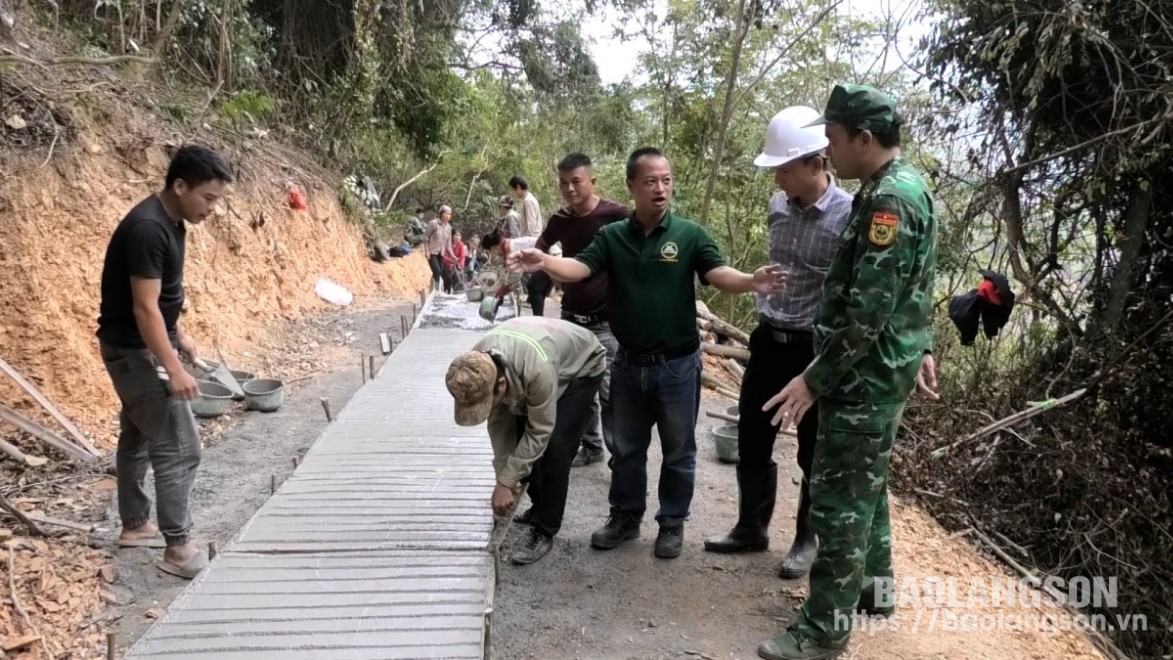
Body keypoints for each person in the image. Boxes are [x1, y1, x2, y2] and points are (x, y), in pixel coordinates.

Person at [510, 147, 787, 560]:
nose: (660, 188)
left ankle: (671, 522)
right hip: (627, 363)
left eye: (666, 180)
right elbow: (580, 269)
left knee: (678, 450)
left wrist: (750, 281)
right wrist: (544, 263)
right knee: (625, 449)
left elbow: (717, 274)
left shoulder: (689, 234)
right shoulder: (613, 237)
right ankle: (625, 517)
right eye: (650, 181)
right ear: (632, 187)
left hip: (677, 365)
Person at [754, 84, 939, 660]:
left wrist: (813, 378)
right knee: (869, 490)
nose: (828, 151)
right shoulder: (905, 185)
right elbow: (917, 284)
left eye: (833, 138)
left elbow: (868, 309)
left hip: (863, 378)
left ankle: (822, 630)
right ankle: (874, 593)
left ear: (863, 138)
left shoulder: (889, 202)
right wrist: (923, 342)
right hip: (884, 370)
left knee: (837, 505)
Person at [703, 107, 852, 582]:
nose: (776, 181)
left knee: (812, 448)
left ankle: (805, 540)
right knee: (752, 436)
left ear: (816, 163)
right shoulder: (776, 209)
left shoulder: (848, 216)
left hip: (812, 348)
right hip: (769, 340)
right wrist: (758, 281)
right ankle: (751, 527)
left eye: (784, 170)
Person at [96, 145, 232, 580]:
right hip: (134, 352)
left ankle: (135, 526)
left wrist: (179, 338)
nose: (213, 208)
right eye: (208, 198)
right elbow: (144, 309)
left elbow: (162, 302)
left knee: (137, 435)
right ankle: (178, 549)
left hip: (135, 347)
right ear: (179, 186)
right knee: (180, 445)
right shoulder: (149, 229)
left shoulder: (172, 223)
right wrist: (172, 367)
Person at [446, 317, 605, 565]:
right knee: (523, 443)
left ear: (500, 384)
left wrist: (507, 482)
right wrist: (505, 480)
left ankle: (544, 529)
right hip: (536, 358)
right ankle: (535, 510)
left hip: (581, 366)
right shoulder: (474, 365)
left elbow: (540, 429)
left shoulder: (537, 368)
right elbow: (499, 426)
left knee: (554, 449)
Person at [534, 152, 629, 468]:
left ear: (592, 181)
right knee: (577, 389)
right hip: (570, 319)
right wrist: (549, 272)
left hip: (607, 321)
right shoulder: (560, 220)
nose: (570, 188)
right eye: (564, 183)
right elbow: (540, 249)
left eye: (576, 181)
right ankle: (591, 447)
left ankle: (620, 459)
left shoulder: (615, 215)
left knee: (609, 392)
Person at [481, 229, 558, 315]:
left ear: (493, 247)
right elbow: (512, 278)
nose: (493, 255)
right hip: (552, 255)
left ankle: (538, 319)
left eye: (490, 252)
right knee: (537, 290)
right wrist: (504, 290)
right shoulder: (508, 246)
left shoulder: (510, 247)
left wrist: (503, 290)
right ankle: (539, 318)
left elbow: (515, 276)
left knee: (533, 286)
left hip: (552, 255)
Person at [511, 176, 551, 316]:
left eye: (514, 190)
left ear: (517, 187)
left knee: (534, 284)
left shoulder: (528, 201)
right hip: (535, 241)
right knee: (536, 283)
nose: (515, 194)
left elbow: (532, 224)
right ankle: (535, 305)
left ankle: (538, 315)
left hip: (533, 241)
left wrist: (529, 244)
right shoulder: (531, 199)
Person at [425, 205, 456, 292]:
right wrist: (427, 251)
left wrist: (453, 255)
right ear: (441, 214)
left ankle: (436, 290)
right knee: (437, 271)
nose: (448, 216)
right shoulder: (433, 223)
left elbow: (448, 244)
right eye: (446, 213)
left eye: (450, 214)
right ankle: (435, 290)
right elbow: (425, 237)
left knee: (440, 273)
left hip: (441, 254)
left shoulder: (449, 227)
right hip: (432, 252)